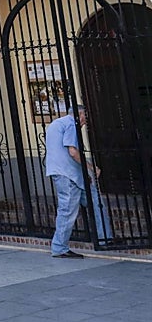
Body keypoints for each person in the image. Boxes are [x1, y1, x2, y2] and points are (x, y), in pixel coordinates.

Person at [45, 104, 110, 257]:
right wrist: (91, 167)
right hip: (67, 174)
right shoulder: (71, 124)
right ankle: (59, 247)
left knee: (95, 200)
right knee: (67, 210)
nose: (85, 121)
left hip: (68, 173)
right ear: (79, 115)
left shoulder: (56, 124)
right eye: (84, 117)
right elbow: (73, 152)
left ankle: (104, 237)